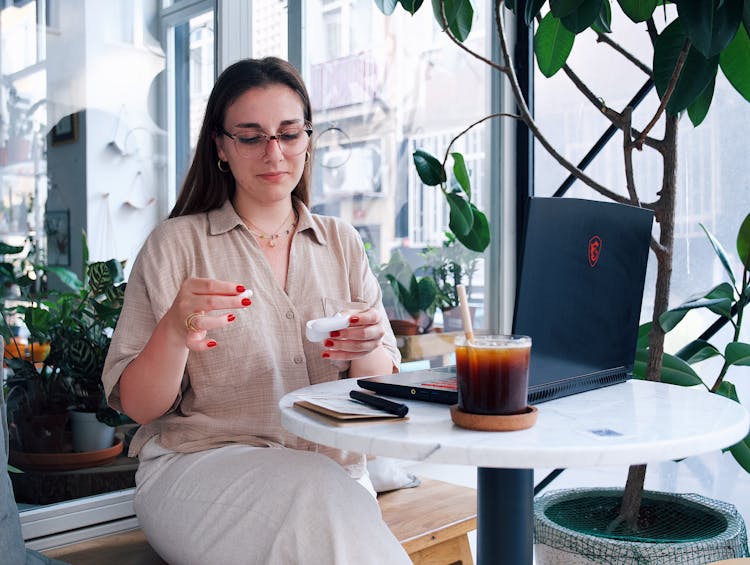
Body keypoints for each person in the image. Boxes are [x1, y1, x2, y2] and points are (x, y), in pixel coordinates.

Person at [102, 57, 411, 565]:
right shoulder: (176, 245)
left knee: (320, 495)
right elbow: (139, 408)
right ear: (221, 146)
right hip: (199, 474)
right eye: (251, 136)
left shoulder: (342, 243)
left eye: (289, 133)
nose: (275, 152)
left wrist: (368, 347)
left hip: (335, 480)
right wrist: (176, 332)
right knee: (317, 496)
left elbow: (374, 393)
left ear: (308, 140)